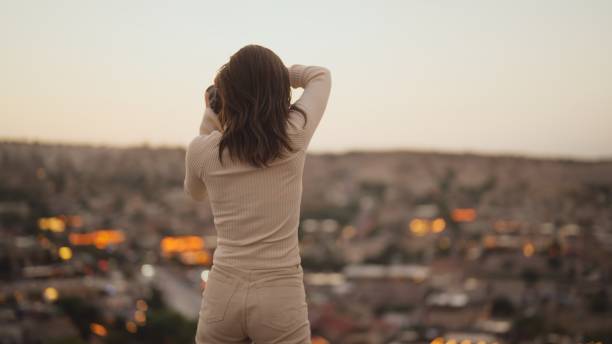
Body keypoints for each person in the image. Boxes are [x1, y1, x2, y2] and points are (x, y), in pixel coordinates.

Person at [183, 44, 332, 344]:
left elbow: (195, 193)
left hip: (224, 290)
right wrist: (274, 77)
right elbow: (320, 76)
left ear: (228, 96)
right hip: (280, 292)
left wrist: (211, 116)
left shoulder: (202, 151)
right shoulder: (293, 133)